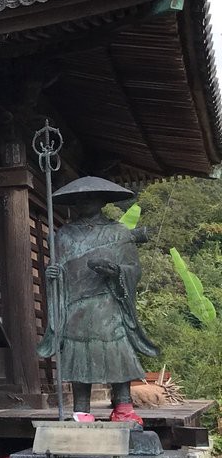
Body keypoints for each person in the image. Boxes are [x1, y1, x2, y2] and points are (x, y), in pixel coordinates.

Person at [37, 177, 158, 425]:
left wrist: (117, 272)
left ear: (103, 200)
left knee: (117, 354)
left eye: (91, 197)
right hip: (76, 307)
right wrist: (53, 276)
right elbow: (59, 268)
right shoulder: (64, 234)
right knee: (80, 357)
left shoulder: (119, 233)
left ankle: (123, 407)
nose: (85, 202)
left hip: (107, 304)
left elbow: (133, 269)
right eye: (80, 198)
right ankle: (82, 411)